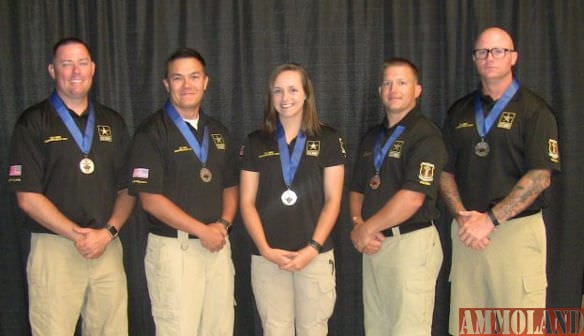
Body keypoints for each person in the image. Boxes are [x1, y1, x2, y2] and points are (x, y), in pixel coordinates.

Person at [7, 37, 135, 335]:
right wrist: (78, 235)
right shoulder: (33, 122)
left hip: (107, 246)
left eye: (82, 63)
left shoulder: (112, 122)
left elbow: (128, 189)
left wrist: (108, 232)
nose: (75, 71)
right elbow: (26, 196)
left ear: (93, 68)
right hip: (55, 248)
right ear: (53, 70)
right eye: (66, 64)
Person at [440, 27, 561, 335]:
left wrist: (491, 220)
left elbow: (540, 176)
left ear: (513, 58)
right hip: (468, 234)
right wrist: (463, 218)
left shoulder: (535, 111)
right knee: (468, 328)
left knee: (519, 329)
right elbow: (444, 171)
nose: (490, 58)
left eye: (498, 51)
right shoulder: (459, 111)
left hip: (514, 234)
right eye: (482, 52)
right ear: (474, 59)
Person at [128, 48, 237, 336]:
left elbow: (230, 185)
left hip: (217, 246)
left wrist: (223, 224)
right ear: (166, 84)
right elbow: (150, 199)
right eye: (178, 78)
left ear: (206, 82)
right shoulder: (151, 132)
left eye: (194, 77)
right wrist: (203, 230)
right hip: (175, 251)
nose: (187, 85)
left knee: (220, 329)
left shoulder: (217, 131)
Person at [239, 63, 346, 335]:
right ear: (270, 96)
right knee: (275, 330)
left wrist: (312, 248)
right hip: (268, 257)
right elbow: (246, 202)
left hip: (315, 255)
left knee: (314, 330)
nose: (285, 98)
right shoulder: (255, 142)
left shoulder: (329, 139)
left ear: (306, 94)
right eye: (278, 91)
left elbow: (333, 200)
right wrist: (264, 249)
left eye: (292, 90)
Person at [349, 57, 447, 335]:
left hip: (411, 245)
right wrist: (358, 224)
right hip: (375, 246)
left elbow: (413, 197)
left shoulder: (426, 136)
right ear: (380, 91)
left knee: (409, 330)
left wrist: (366, 229)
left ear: (418, 90)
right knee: (377, 329)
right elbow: (357, 188)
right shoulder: (372, 138)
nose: (394, 89)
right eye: (387, 83)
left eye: (402, 82)